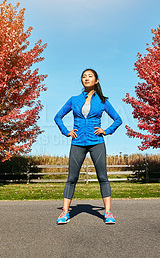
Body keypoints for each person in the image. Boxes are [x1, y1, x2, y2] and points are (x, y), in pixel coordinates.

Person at [54, 68, 122, 225]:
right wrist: (66, 132)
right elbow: (57, 117)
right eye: (84, 76)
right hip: (77, 143)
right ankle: (64, 213)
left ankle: (108, 213)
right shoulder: (74, 99)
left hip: (97, 142)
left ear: (96, 81)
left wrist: (106, 130)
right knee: (72, 178)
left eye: (90, 76)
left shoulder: (103, 101)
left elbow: (118, 119)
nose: (86, 78)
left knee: (102, 177)